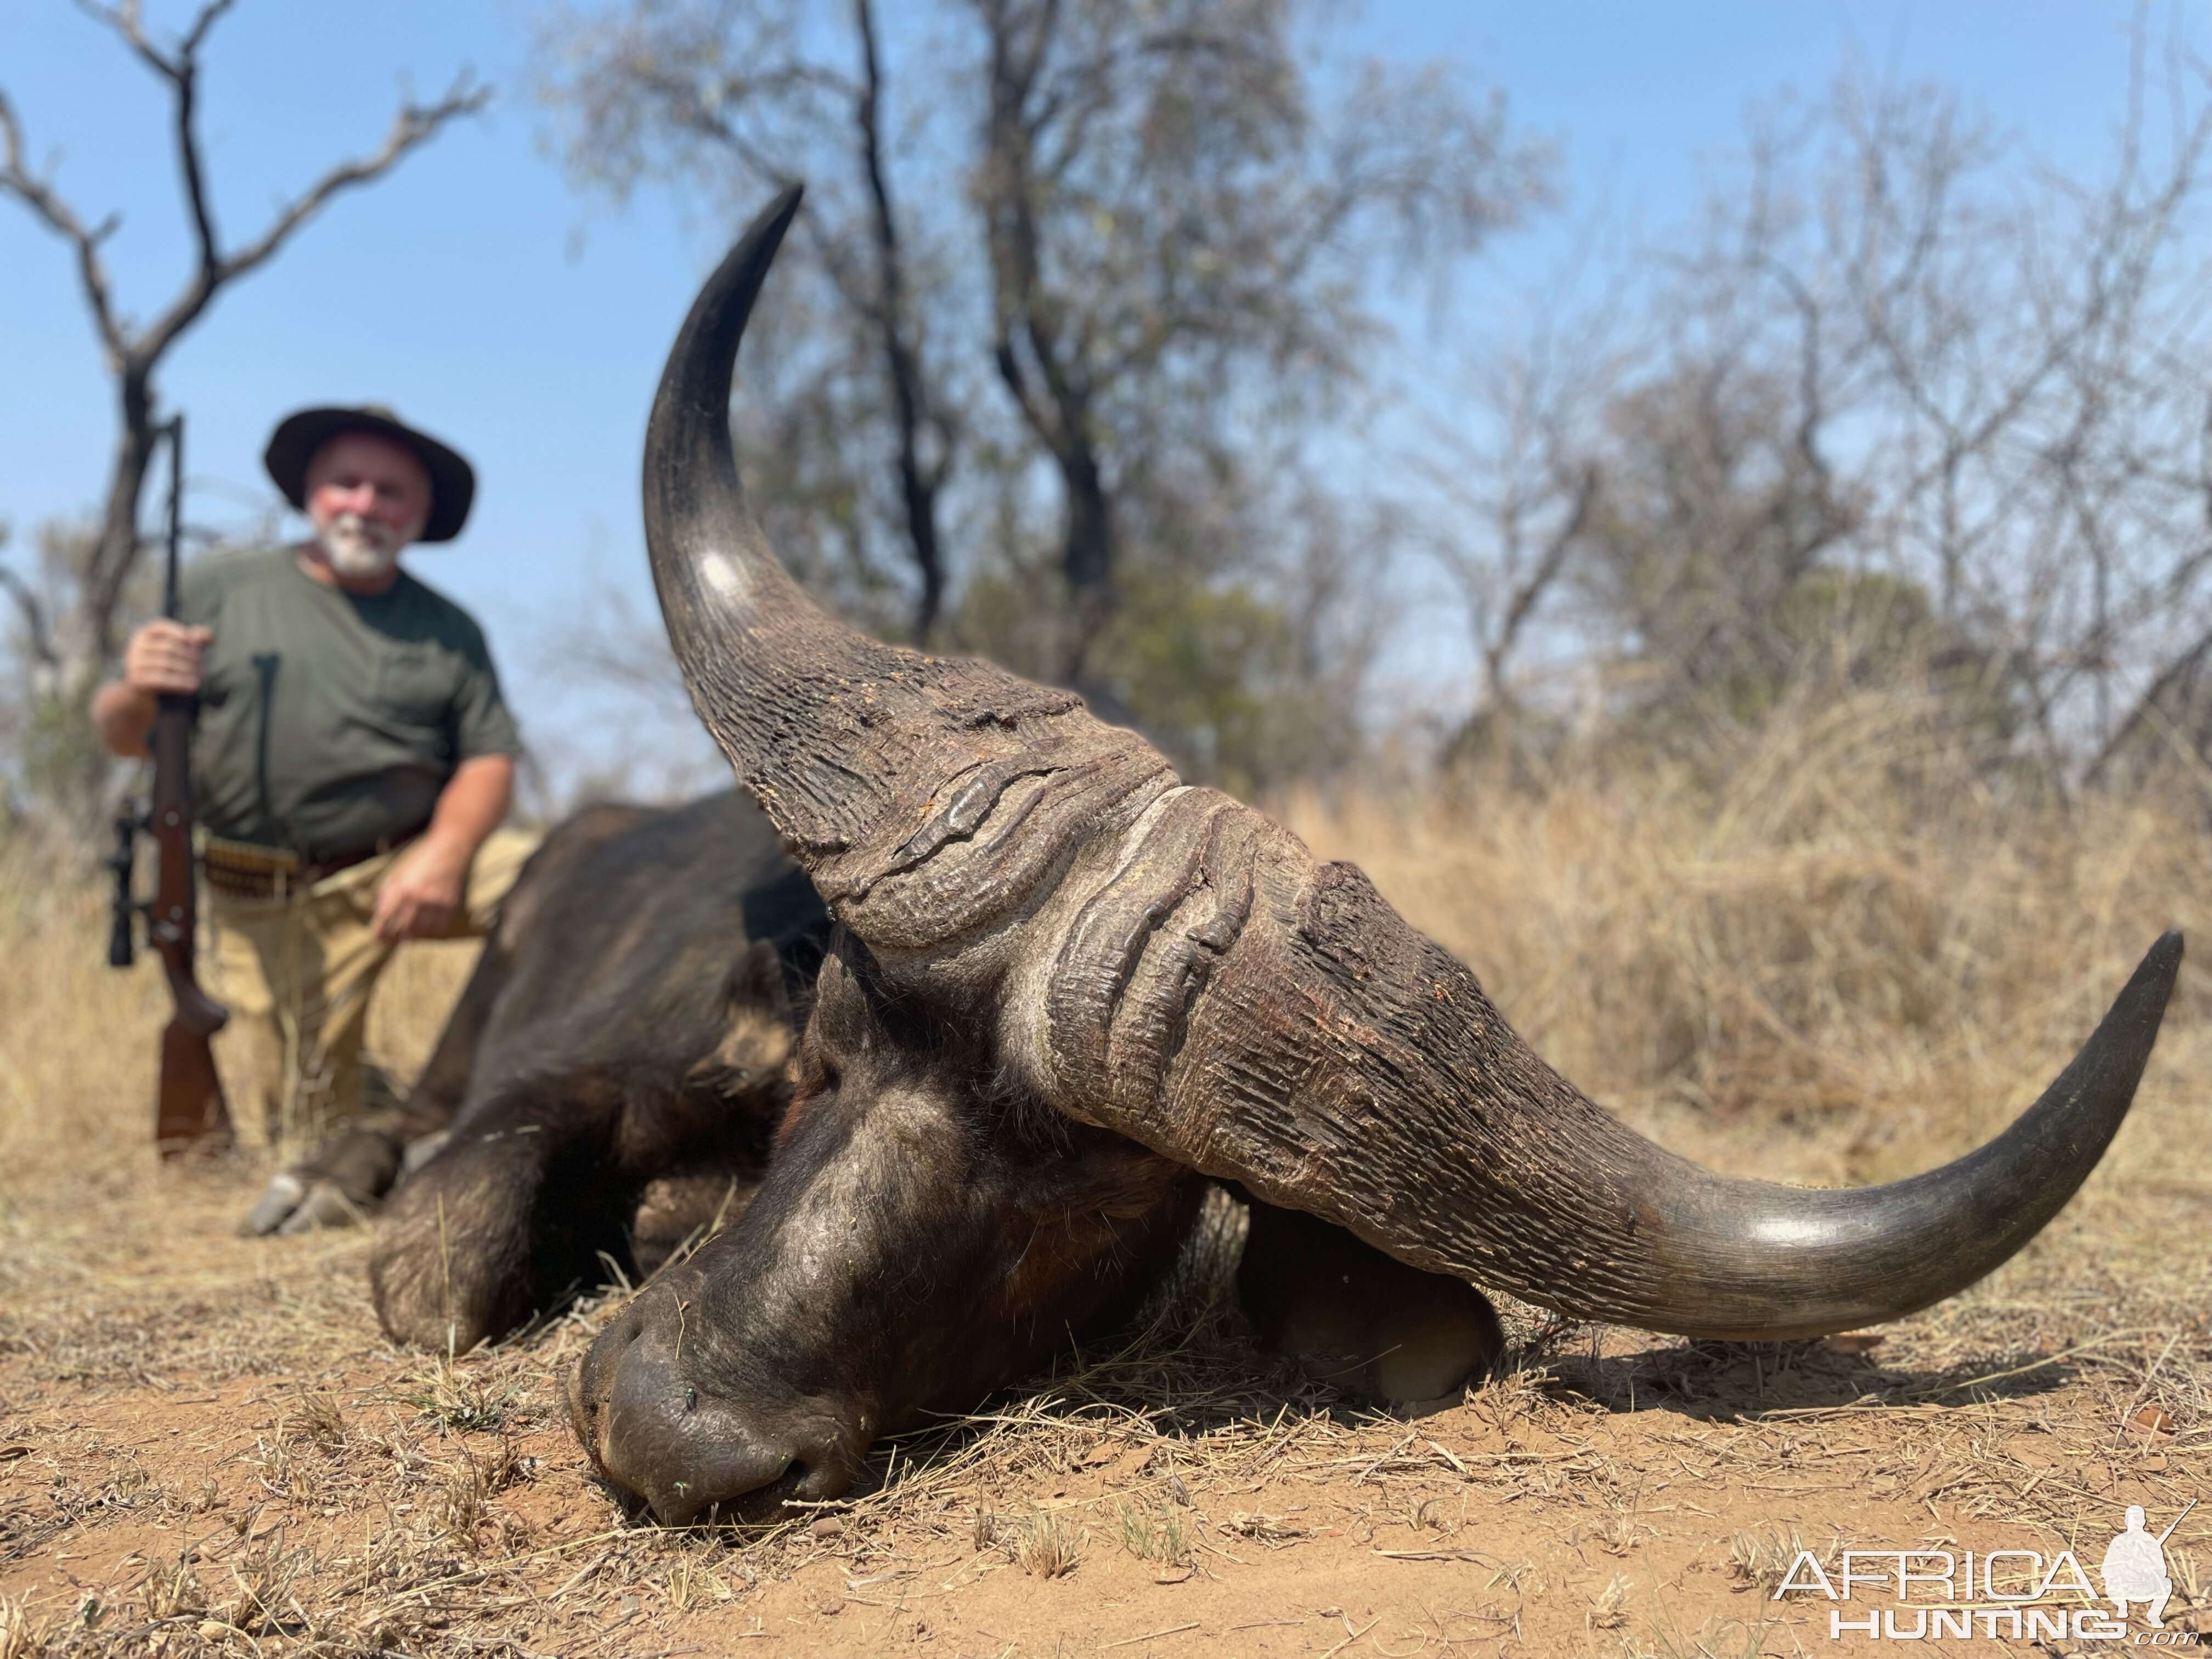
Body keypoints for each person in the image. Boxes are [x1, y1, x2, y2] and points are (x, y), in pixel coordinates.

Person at [91, 406, 535, 1215]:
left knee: (562, 879)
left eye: (391, 491)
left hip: (395, 871)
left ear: (421, 514)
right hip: (257, 903)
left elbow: (488, 758)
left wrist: (445, 853)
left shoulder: (449, 630)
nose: (365, 505)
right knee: (308, 1131)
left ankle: (514, 1095)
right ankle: (386, 1107)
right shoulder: (217, 589)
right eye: (346, 483)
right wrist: (135, 687)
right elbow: (125, 735)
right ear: (310, 492)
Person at [2100, 1505, 2172, 1627]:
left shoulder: (2150, 1541)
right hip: (2124, 1588)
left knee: (2167, 1583)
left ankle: (2154, 1615)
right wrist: (2124, 1570)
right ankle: (2122, 1608)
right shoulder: (2119, 1541)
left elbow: (2162, 1571)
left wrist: (2147, 1571)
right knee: (2111, 1581)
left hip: (2145, 1588)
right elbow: (2107, 1569)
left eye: (2137, 1519)